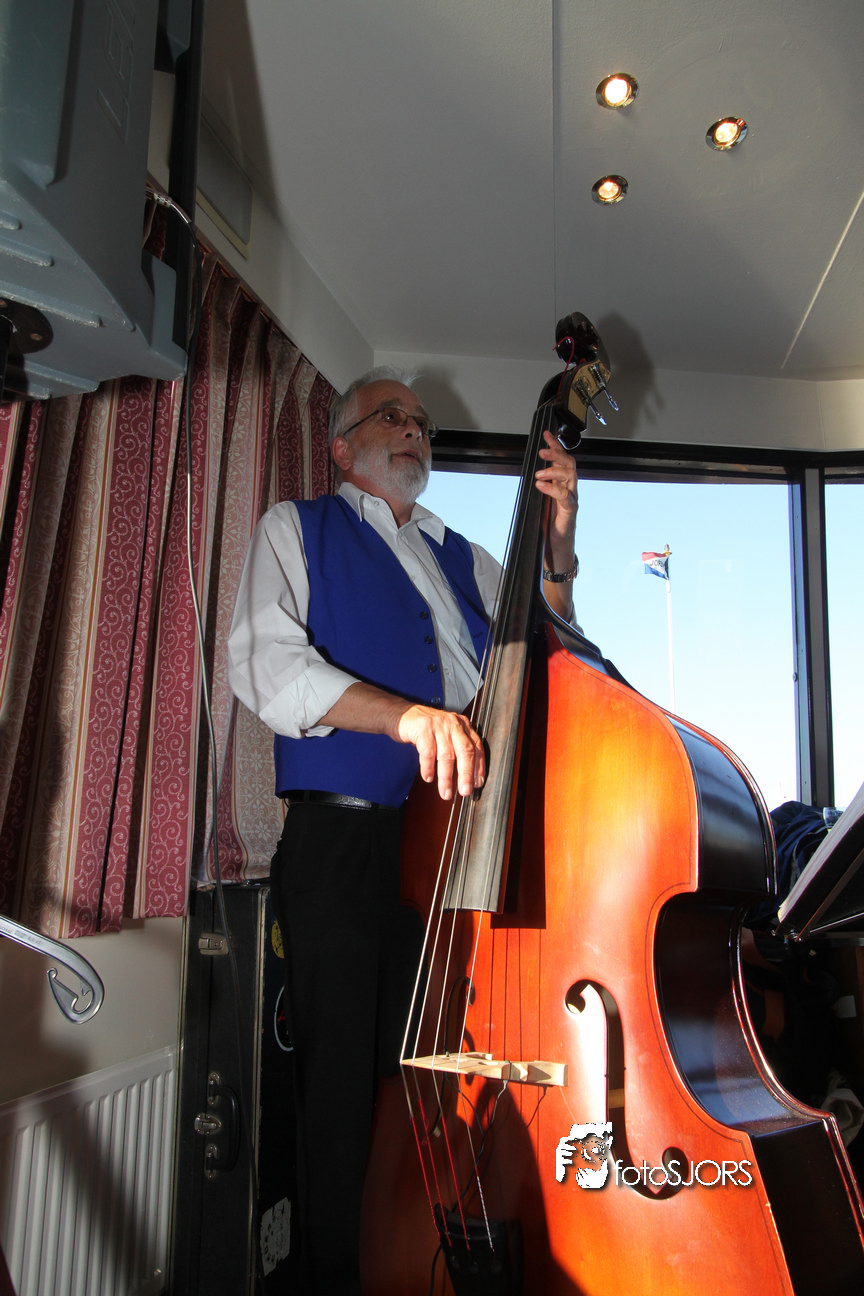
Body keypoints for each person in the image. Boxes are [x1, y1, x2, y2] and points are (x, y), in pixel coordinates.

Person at [227, 367, 579, 1293]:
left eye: (422, 422)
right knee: (344, 1094)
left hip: (464, 847)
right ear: (342, 445)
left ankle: (436, 1265)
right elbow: (264, 663)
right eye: (394, 417)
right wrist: (404, 717)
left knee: (453, 1075)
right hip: (346, 846)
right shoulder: (296, 527)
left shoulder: (470, 556)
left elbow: (549, 655)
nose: (415, 429)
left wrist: (558, 549)